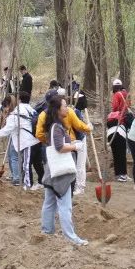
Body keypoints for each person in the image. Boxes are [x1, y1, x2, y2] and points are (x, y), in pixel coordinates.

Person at [39, 97, 89, 246]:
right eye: (65, 106)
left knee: (49, 202)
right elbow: (60, 147)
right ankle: (70, 237)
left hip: (52, 171)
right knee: (65, 205)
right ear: (57, 110)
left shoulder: (53, 126)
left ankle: (47, 231)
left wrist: (72, 143)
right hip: (61, 173)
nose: (67, 108)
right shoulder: (57, 127)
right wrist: (75, 147)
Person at [36, 90, 92, 192]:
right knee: (74, 165)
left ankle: (58, 187)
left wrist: (49, 141)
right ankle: (76, 187)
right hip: (70, 144)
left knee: (54, 166)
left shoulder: (43, 115)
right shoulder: (68, 112)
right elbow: (79, 125)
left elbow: (39, 134)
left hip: (55, 146)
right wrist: (88, 128)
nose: (66, 107)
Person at [0, 93, 40, 187]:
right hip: (29, 140)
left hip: (27, 141)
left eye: (5, 107)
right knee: (28, 162)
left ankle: (25, 184)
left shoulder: (14, 115)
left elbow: (7, 130)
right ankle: (23, 180)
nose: (5, 110)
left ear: (8, 105)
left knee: (25, 164)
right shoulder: (21, 110)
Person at [106, 79, 133, 181]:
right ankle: (123, 174)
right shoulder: (126, 93)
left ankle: (120, 174)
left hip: (118, 122)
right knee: (122, 151)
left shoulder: (116, 95)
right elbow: (129, 105)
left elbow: (115, 107)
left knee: (118, 152)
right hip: (123, 124)